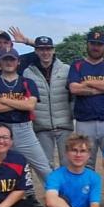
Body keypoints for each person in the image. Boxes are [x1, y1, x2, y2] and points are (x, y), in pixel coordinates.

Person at [0, 48, 52, 196]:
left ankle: (57, 199)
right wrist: (18, 102)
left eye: (12, 59)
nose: (9, 62)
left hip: (24, 129)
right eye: (5, 59)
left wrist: (3, 100)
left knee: (44, 168)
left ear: (18, 62)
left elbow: (30, 106)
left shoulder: (27, 82)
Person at [67, 31, 104, 169]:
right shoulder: (77, 65)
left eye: (99, 44)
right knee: (84, 162)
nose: (96, 47)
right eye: (93, 43)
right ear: (87, 44)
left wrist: (87, 83)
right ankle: (86, 190)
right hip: (84, 121)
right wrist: (103, 87)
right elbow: (74, 88)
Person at [17, 35, 73, 169]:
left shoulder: (66, 69)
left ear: (53, 50)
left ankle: (66, 190)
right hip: (41, 126)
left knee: (67, 163)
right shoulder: (28, 72)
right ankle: (52, 190)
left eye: (48, 49)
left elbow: (73, 96)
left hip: (64, 124)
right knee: (46, 165)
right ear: (36, 51)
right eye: (41, 49)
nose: (45, 52)